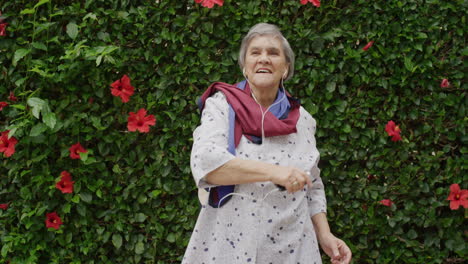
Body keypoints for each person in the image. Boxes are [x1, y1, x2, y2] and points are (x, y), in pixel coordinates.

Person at [182, 23, 352, 264]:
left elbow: (312, 183)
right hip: (231, 244)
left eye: (273, 53)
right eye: (255, 53)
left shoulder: (302, 119)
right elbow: (206, 163)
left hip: (294, 246)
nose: (264, 59)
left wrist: (324, 234)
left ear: (286, 68)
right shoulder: (222, 106)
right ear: (245, 67)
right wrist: (274, 172)